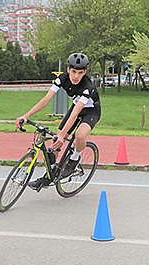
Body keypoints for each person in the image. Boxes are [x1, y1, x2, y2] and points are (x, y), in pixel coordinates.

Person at [15, 53, 101, 190]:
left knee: (80, 135)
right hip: (76, 107)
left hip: (90, 111)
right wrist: (26, 115)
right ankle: (50, 174)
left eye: (80, 73)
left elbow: (75, 114)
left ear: (85, 72)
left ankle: (75, 159)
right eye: (73, 72)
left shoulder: (88, 86)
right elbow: (46, 100)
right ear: (68, 70)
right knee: (55, 142)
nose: (76, 76)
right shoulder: (62, 79)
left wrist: (63, 135)